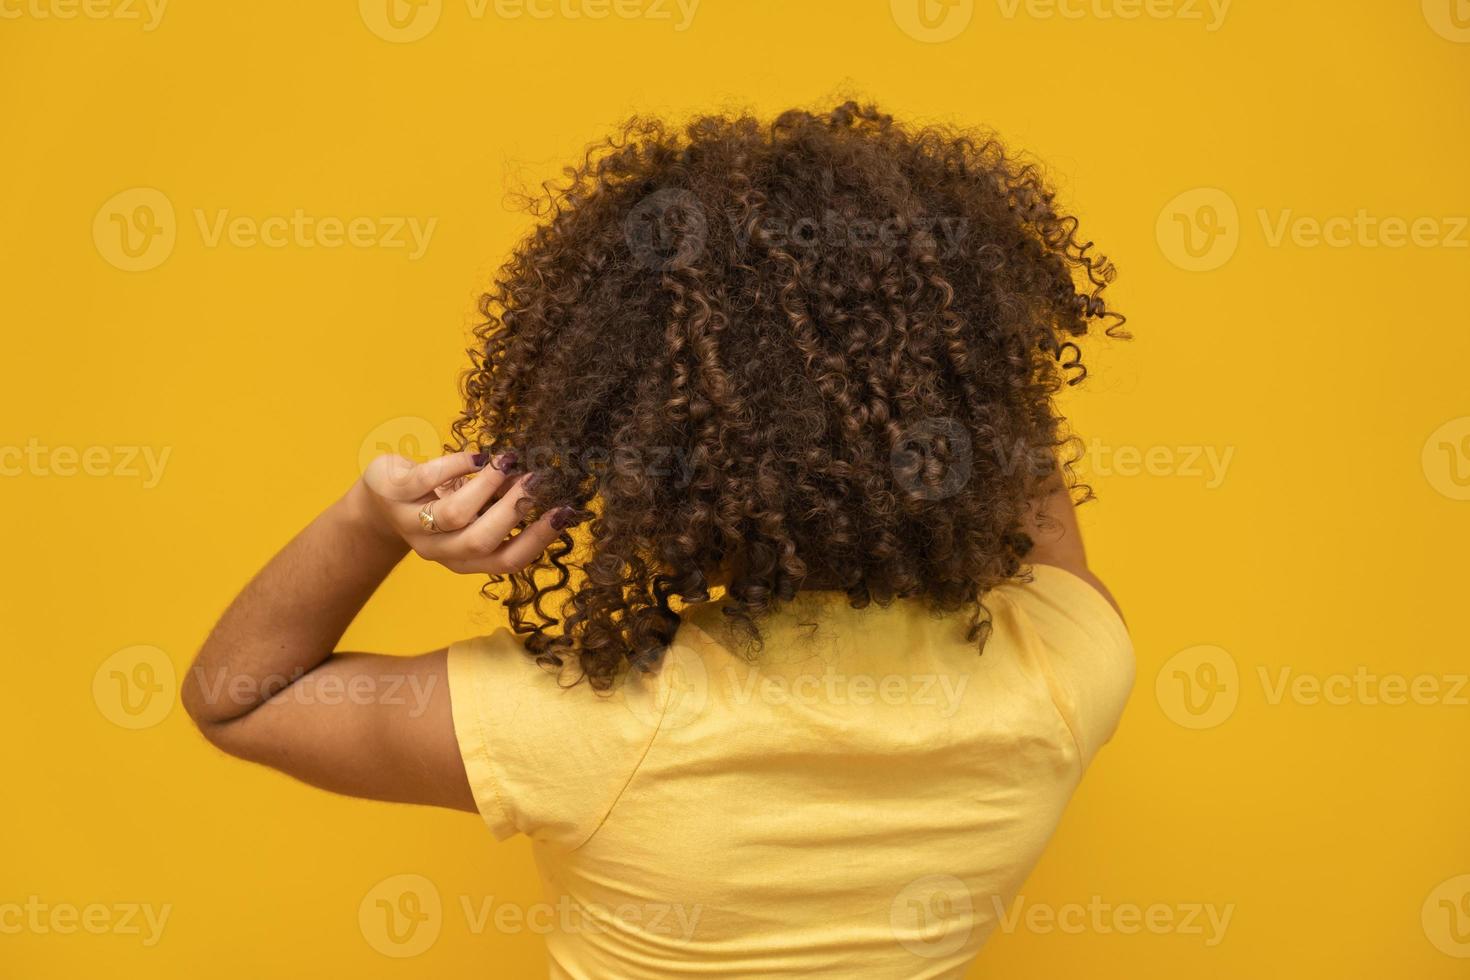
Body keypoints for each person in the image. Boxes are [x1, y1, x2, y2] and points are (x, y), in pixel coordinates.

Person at [183, 101, 1134, 978]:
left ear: (640, 440)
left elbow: (236, 702)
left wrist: (370, 518)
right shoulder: (1060, 672)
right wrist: (967, 360)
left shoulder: (591, 725)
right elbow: (1029, 485)